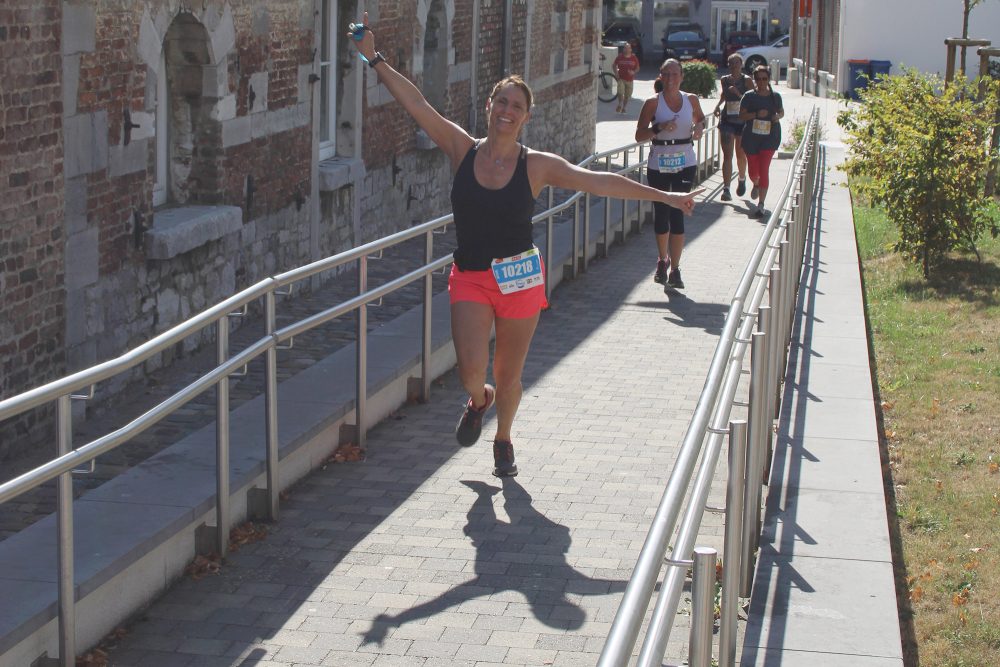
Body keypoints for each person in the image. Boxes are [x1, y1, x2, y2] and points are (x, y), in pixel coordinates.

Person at [348, 14, 703, 477]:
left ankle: (503, 438)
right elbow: (417, 106)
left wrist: (665, 195)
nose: (507, 110)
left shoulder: (536, 165)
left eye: (516, 104)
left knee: (509, 373)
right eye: (501, 100)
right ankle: (480, 402)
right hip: (472, 276)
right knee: (471, 373)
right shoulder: (462, 149)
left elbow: (600, 182)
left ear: (526, 116)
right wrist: (373, 57)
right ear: (490, 104)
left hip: (518, 279)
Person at [635, 59, 706, 290]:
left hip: (685, 161)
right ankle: (662, 260)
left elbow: (701, 119)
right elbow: (639, 135)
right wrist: (659, 128)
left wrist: (699, 128)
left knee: (678, 213)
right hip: (659, 163)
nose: (671, 79)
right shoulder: (652, 104)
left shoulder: (691, 100)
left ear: (682, 77)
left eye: (675, 75)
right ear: (661, 77)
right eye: (666, 75)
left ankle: (675, 269)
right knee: (662, 213)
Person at [738, 65, 784, 218]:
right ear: (754, 79)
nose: (762, 82)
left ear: (768, 79)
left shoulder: (775, 96)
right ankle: (755, 183)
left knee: (764, 169)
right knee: (753, 171)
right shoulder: (749, 96)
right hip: (751, 138)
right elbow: (742, 116)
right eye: (758, 79)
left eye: (764, 79)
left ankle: (761, 205)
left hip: (770, 137)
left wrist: (777, 116)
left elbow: (781, 111)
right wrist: (756, 114)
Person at [711, 53, 752, 202]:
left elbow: (751, 100)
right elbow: (724, 96)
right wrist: (717, 106)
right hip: (727, 119)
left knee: (740, 154)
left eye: (736, 63)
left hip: (742, 121)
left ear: (741, 64)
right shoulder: (724, 80)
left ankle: (741, 178)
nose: (734, 66)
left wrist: (739, 94)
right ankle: (726, 189)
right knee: (727, 155)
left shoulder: (747, 81)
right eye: (731, 63)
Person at [613, 43, 640, 114]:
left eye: (628, 48)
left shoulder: (634, 58)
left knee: (627, 95)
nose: (627, 49)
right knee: (620, 92)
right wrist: (616, 73)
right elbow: (614, 65)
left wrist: (633, 72)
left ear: (631, 49)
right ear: (623, 49)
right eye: (625, 48)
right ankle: (620, 104)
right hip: (621, 78)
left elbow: (637, 68)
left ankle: (624, 107)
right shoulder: (619, 57)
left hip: (630, 80)